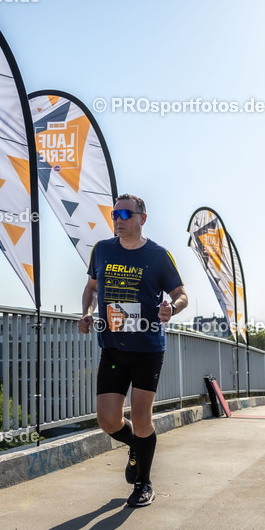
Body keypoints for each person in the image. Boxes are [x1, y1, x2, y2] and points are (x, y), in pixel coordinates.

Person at [79, 194, 187, 508]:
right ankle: (136, 449)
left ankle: (143, 482)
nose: (119, 219)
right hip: (112, 347)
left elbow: (181, 294)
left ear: (142, 217)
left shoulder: (158, 255)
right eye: (114, 214)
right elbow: (91, 286)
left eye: (126, 213)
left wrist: (172, 309)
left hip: (147, 348)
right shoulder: (102, 250)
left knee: (141, 418)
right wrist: (85, 312)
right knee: (108, 421)